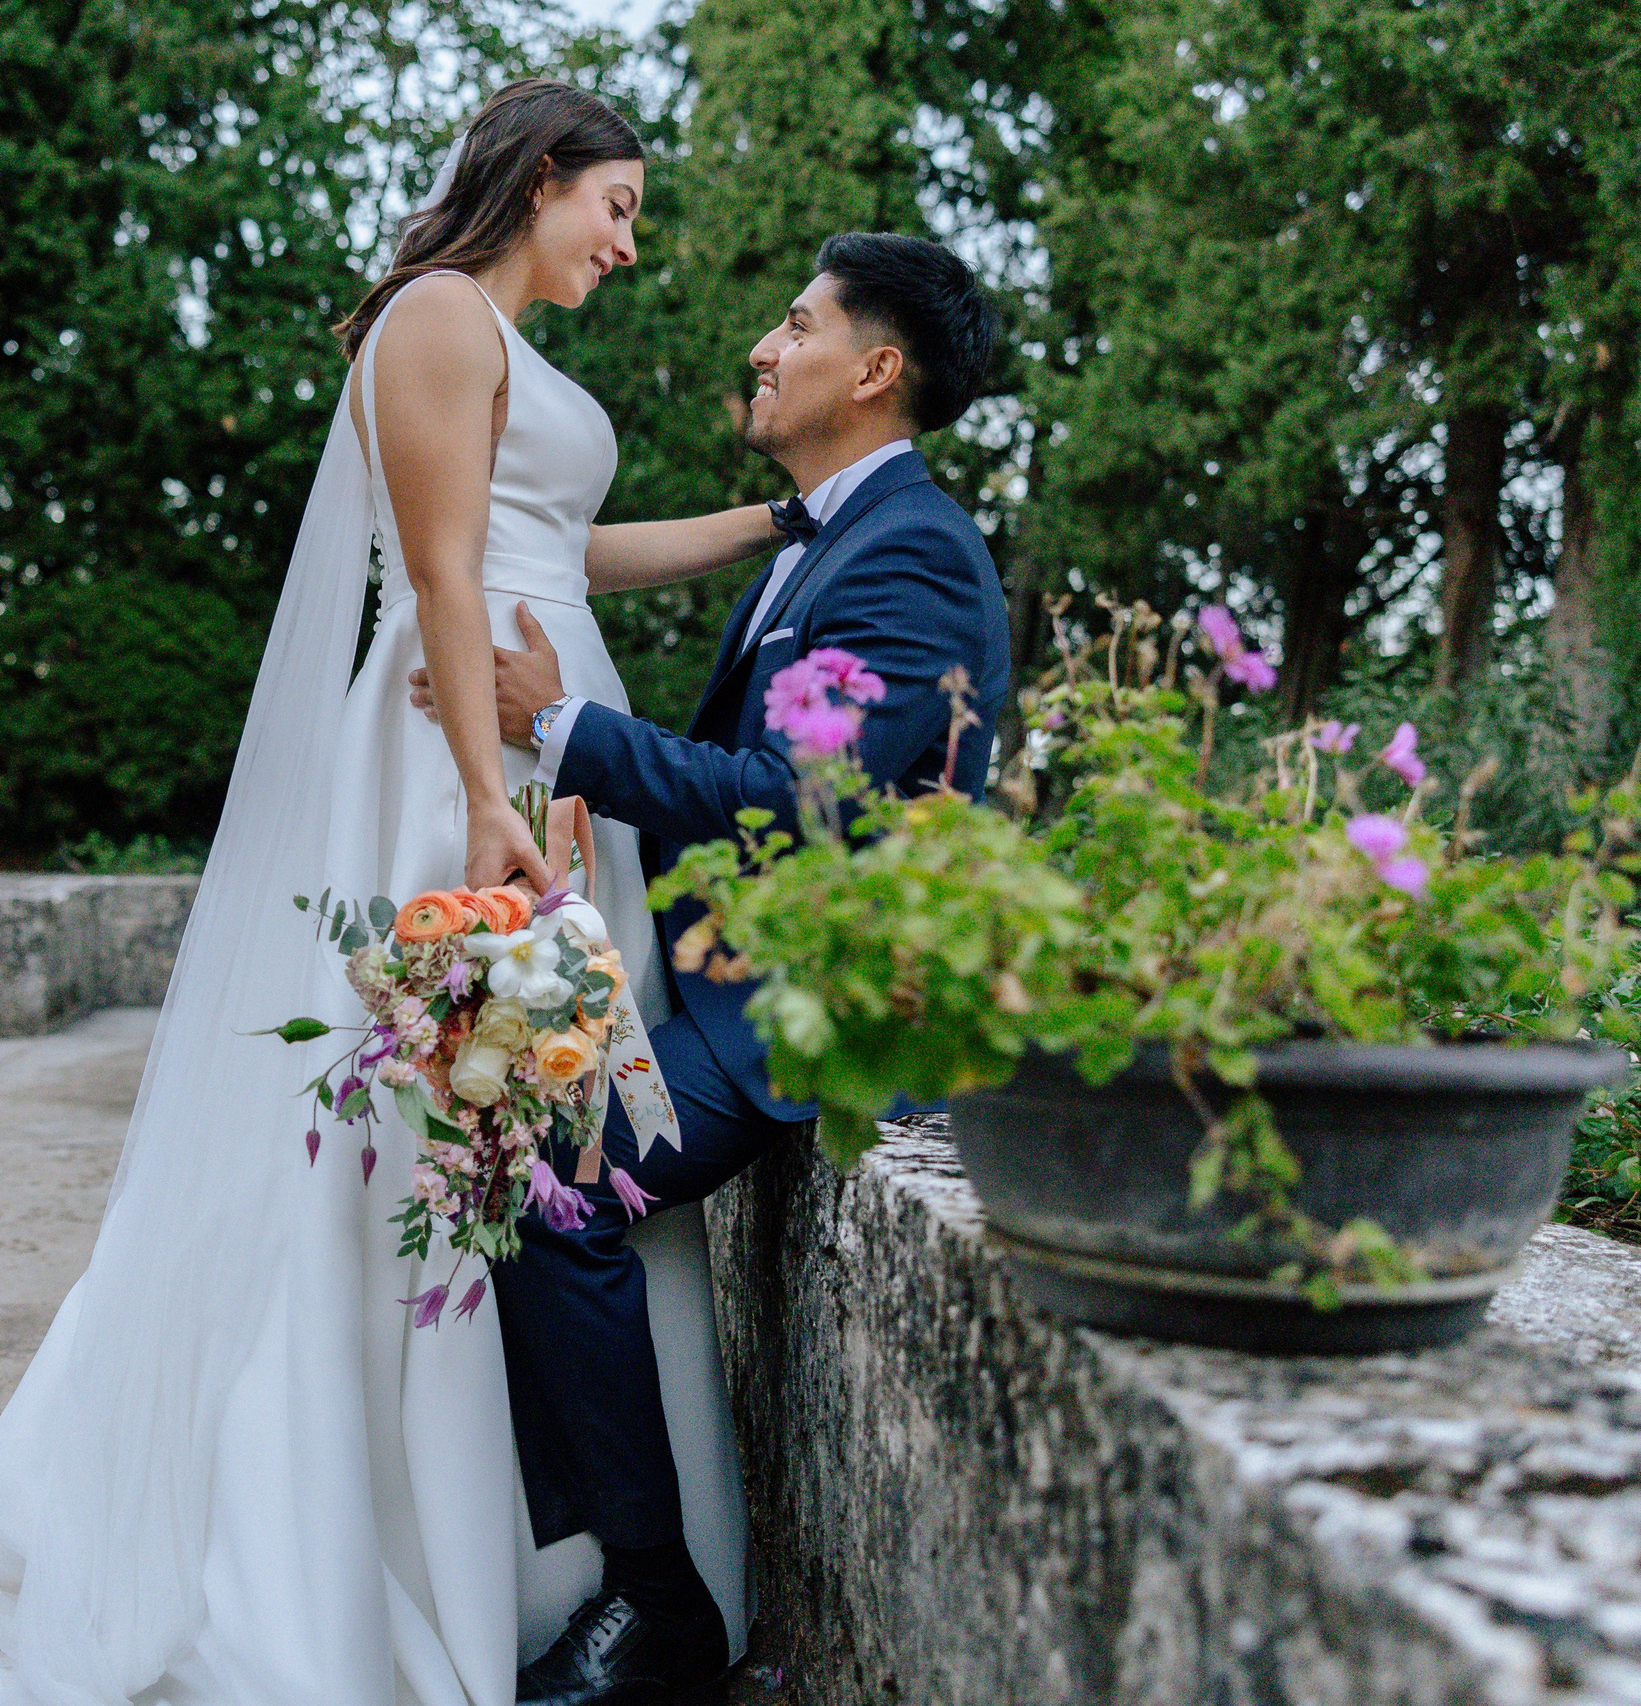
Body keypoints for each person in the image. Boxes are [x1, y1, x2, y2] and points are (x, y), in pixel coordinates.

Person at [0, 79, 777, 1706]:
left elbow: (563, 548)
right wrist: (484, 798)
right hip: (462, 773)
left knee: (543, 1143)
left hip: (540, 746)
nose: (630, 238)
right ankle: (367, 1549)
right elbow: (452, 574)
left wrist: (775, 520)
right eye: (615, 202)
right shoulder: (437, 316)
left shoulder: (508, 345)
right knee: (452, 1144)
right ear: (543, 177)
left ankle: (569, 1565)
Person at [411, 232, 1009, 1706]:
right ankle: (579, 1572)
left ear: (872, 369)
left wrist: (560, 731)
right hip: (723, 977)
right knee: (494, 1124)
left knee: (543, 1182)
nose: (765, 343)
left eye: (795, 324)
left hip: (812, 1019)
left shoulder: (916, 549)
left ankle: (653, 1605)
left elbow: (814, 795)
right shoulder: (836, 534)